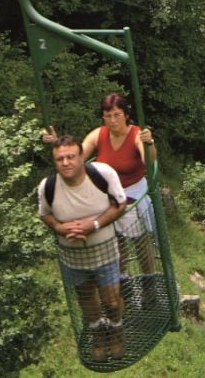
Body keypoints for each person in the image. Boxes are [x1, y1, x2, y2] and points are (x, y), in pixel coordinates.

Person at [44, 93, 158, 279]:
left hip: (132, 193)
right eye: (108, 116)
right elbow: (77, 157)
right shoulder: (99, 134)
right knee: (115, 239)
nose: (112, 121)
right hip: (108, 195)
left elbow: (149, 161)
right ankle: (123, 279)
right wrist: (57, 144)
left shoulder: (136, 135)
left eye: (117, 115)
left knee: (139, 238)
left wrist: (149, 143)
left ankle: (149, 277)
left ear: (126, 115)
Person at [38, 135, 128, 361]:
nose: (65, 163)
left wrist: (93, 225)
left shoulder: (102, 175)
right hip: (72, 255)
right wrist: (59, 227)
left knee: (112, 299)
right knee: (86, 298)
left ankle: (117, 330)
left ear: (81, 157)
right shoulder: (48, 187)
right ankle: (98, 334)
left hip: (104, 249)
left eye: (70, 157)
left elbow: (120, 204)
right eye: (60, 159)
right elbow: (45, 214)